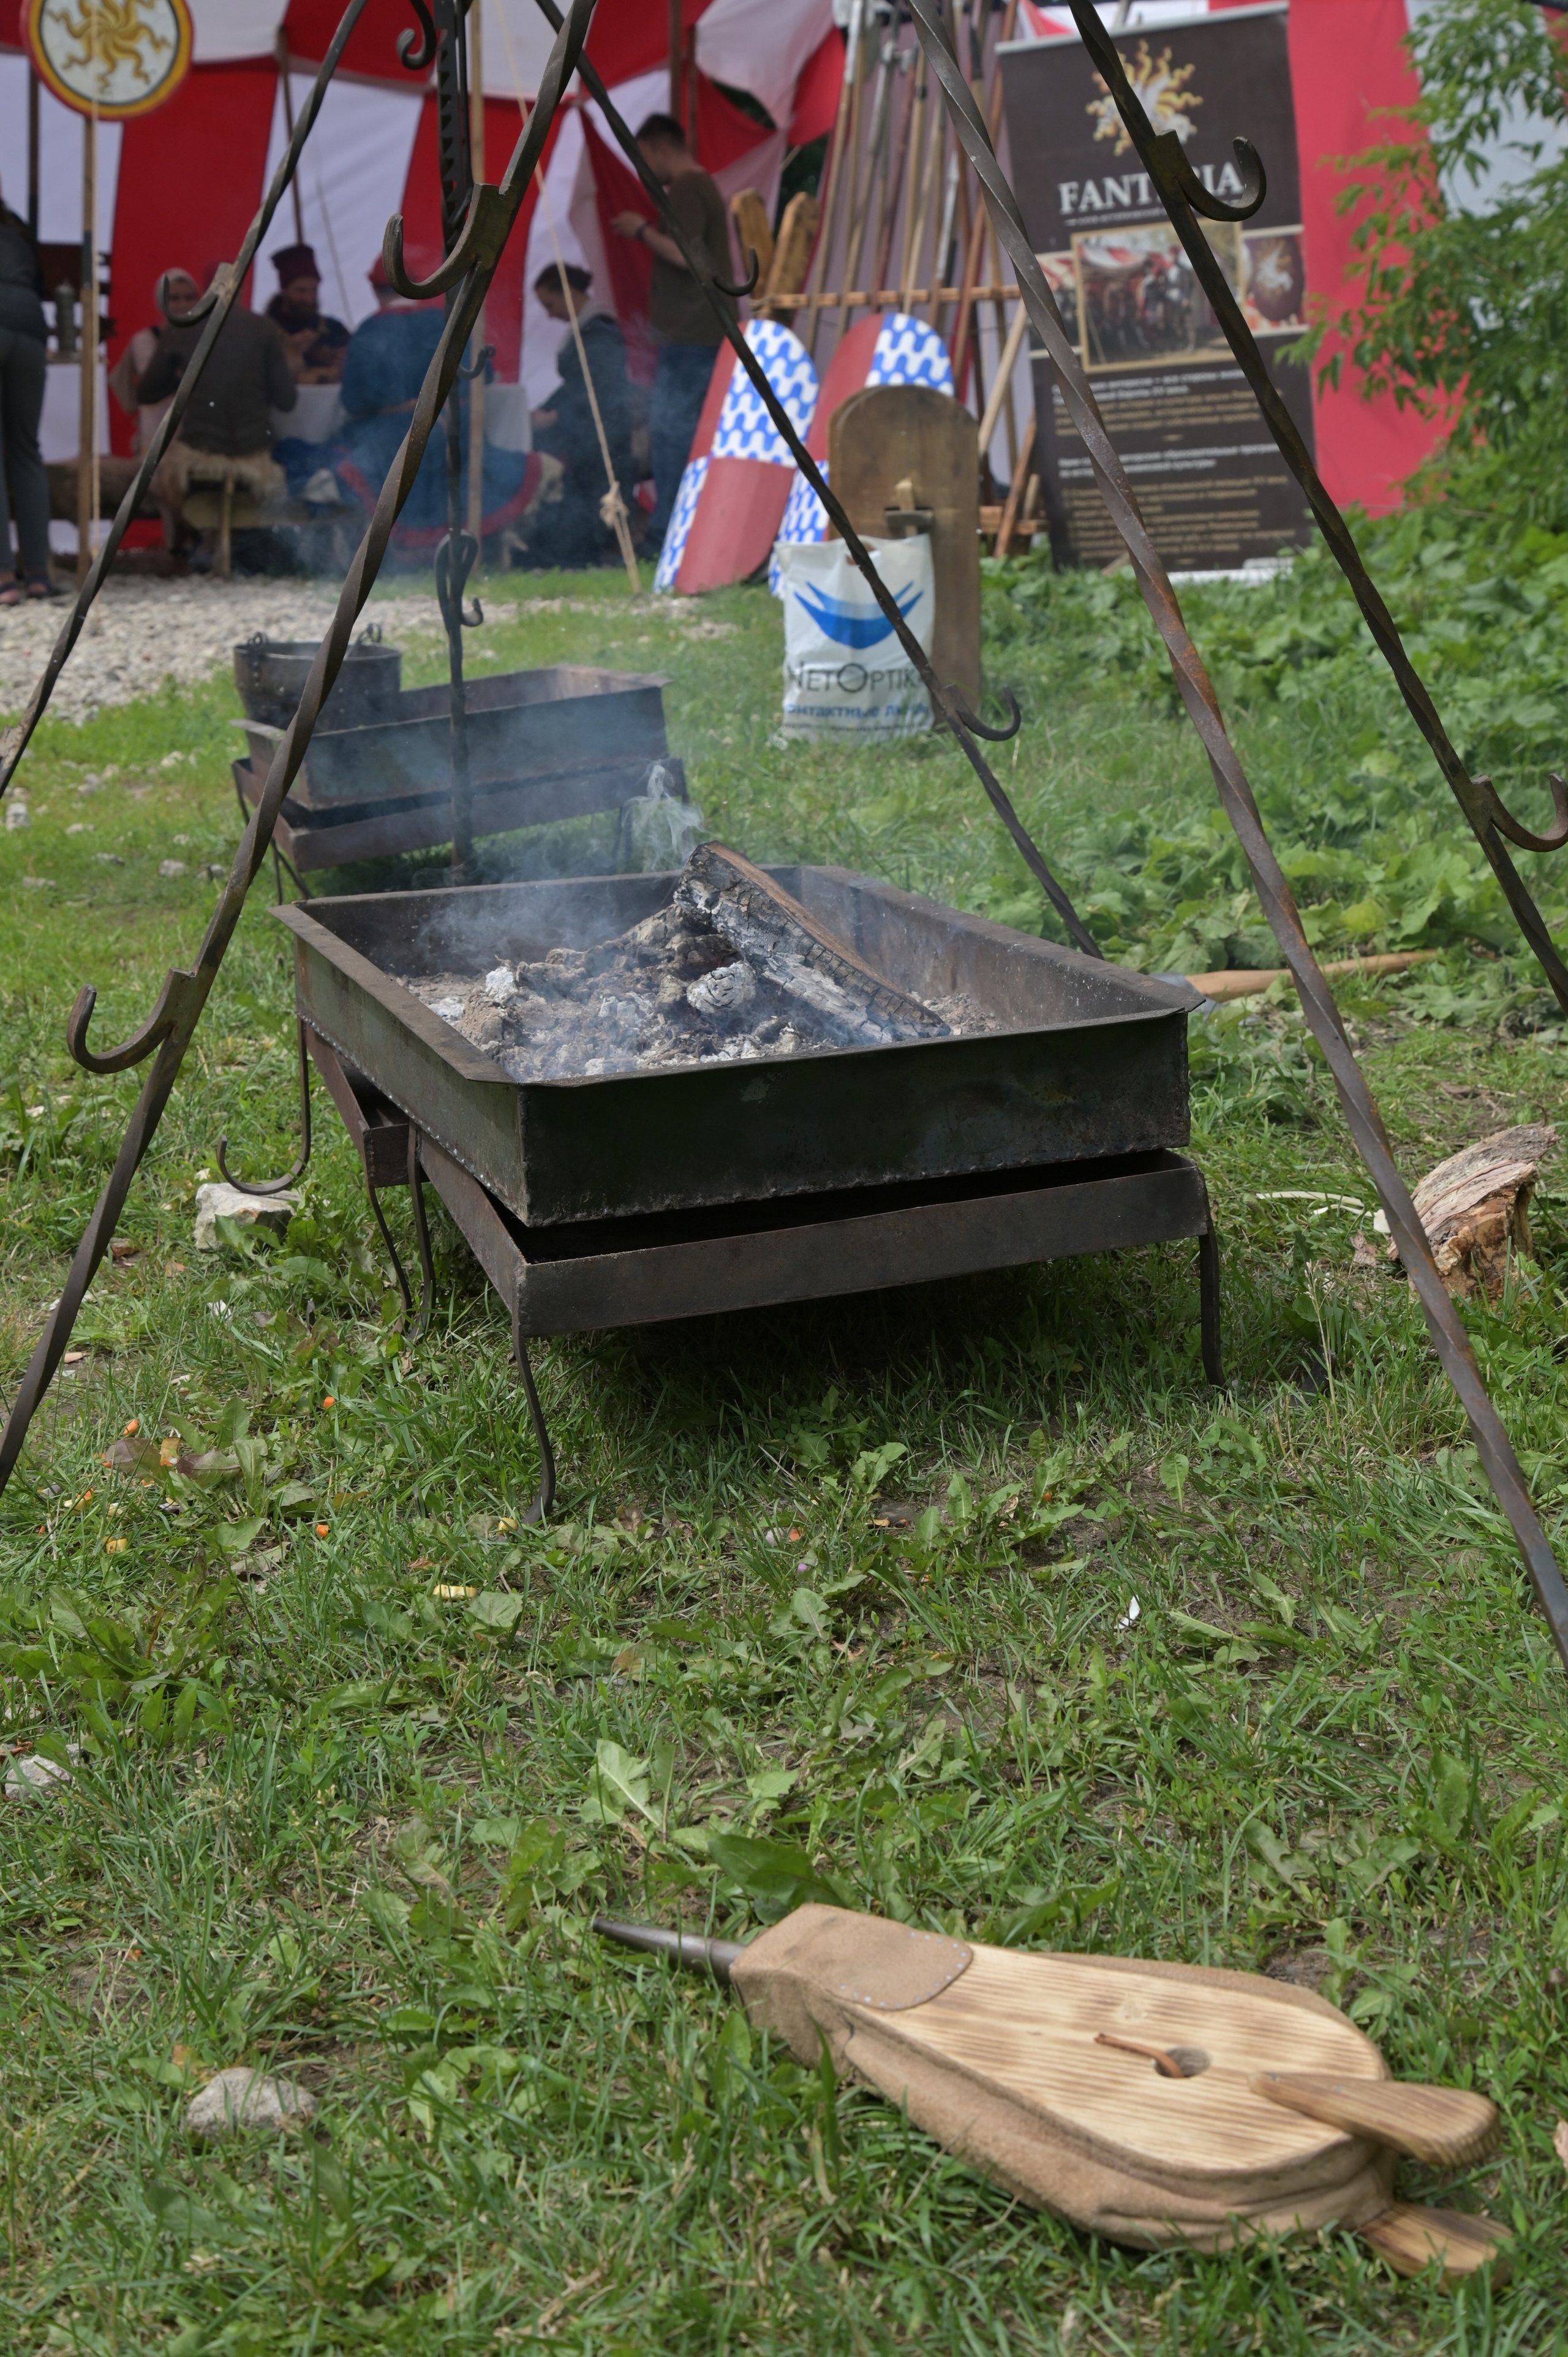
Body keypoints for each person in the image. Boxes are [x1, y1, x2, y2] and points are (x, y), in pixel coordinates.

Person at [611, 112, 734, 552]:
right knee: (678, 430)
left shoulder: (686, 188)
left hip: (691, 334)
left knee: (671, 432)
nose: (646, 168)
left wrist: (641, 231)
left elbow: (689, 257)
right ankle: (684, 529)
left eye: (645, 156)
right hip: (696, 333)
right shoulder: (699, 187)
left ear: (661, 148)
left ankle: (668, 531)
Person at [136, 265, 296, 548]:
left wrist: (187, 379)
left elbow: (146, 393)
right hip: (254, 453)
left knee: (168, 468)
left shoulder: (182, 328)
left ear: (206, 291)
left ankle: (187, 542)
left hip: (201, 451)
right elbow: (287, 401)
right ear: (243, 289)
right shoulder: (264, 328)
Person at [525, 262, 633, 568]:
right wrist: (549, 407)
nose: (549, 313)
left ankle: (602, 556)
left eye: (550, 303)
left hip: (603, 432)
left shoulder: (599, 331)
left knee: (601, 495)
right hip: (587, 431)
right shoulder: (587, 329)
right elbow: (575, 384)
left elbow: (599, 390)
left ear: (568, 292)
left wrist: (556, 415)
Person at [0, 180, 53, 603]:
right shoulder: (16, 230)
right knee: (25, 451)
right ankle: (38, 573)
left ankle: (3, 578)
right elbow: (43, 285)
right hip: (31, 329)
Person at [107, 266, 195, 454]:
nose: (182, 305)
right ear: (162, 301)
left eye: (189, 298)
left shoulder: (202, 338)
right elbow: (155, 380)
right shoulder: (144, 339)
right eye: (174, 298)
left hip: (193, 432)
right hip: (157, 428)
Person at [265, 242, 349, 383]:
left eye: (314, 290)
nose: (309, 299)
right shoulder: (265, 331)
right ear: (284, 290)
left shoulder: (335, 329)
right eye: (301, 291)